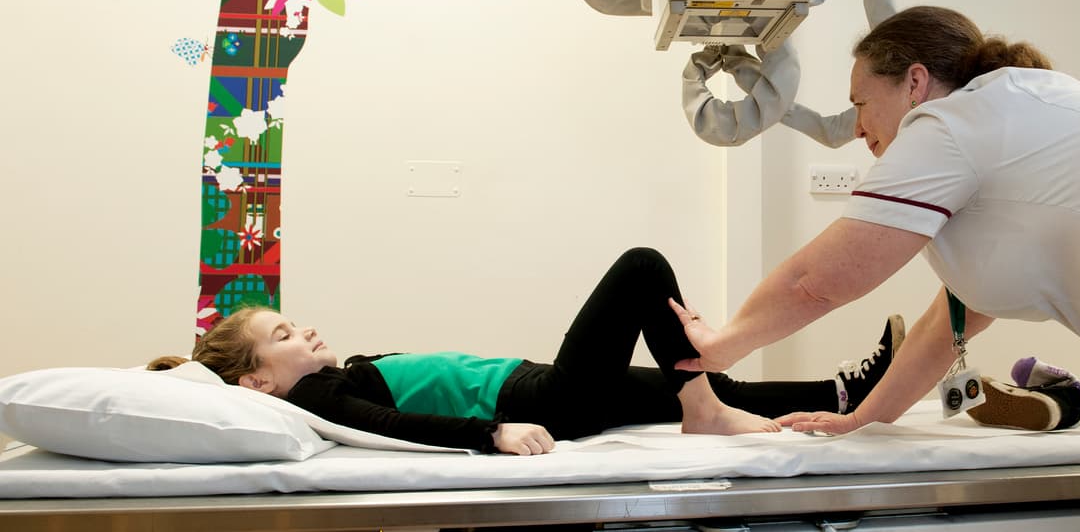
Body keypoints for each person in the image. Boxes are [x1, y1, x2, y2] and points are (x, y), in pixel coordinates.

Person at [669, 5, 1080, 530]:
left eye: (862, 103)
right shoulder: (1015, 114)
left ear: (915, 84)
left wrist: (723, 346)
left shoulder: (947, 125)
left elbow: (818, 283)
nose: (857, 127)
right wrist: (862, 420)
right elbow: (949, 323)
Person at [151, 247, 904, 455]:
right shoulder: (316, 400)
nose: (303, 331)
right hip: (540, 401)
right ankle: (704, 409)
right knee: (642, 270)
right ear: (257, 385)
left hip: (542, 385)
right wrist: (491, 433)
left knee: (671, 383)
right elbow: (393, 429)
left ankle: (845, 396)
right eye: (282, 337)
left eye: (293, 321)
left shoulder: (322, 380)